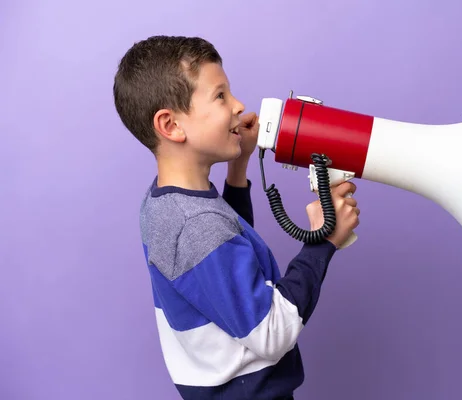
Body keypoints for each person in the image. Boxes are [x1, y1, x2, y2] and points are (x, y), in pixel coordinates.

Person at [112, 35, 360, 400]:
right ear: (171, 125)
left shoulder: (164, 202)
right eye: (220, 96)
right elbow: (272, 332)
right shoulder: (196, 226)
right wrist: (325, 242)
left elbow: (231, 255)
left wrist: (237, 168)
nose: (238, 105)